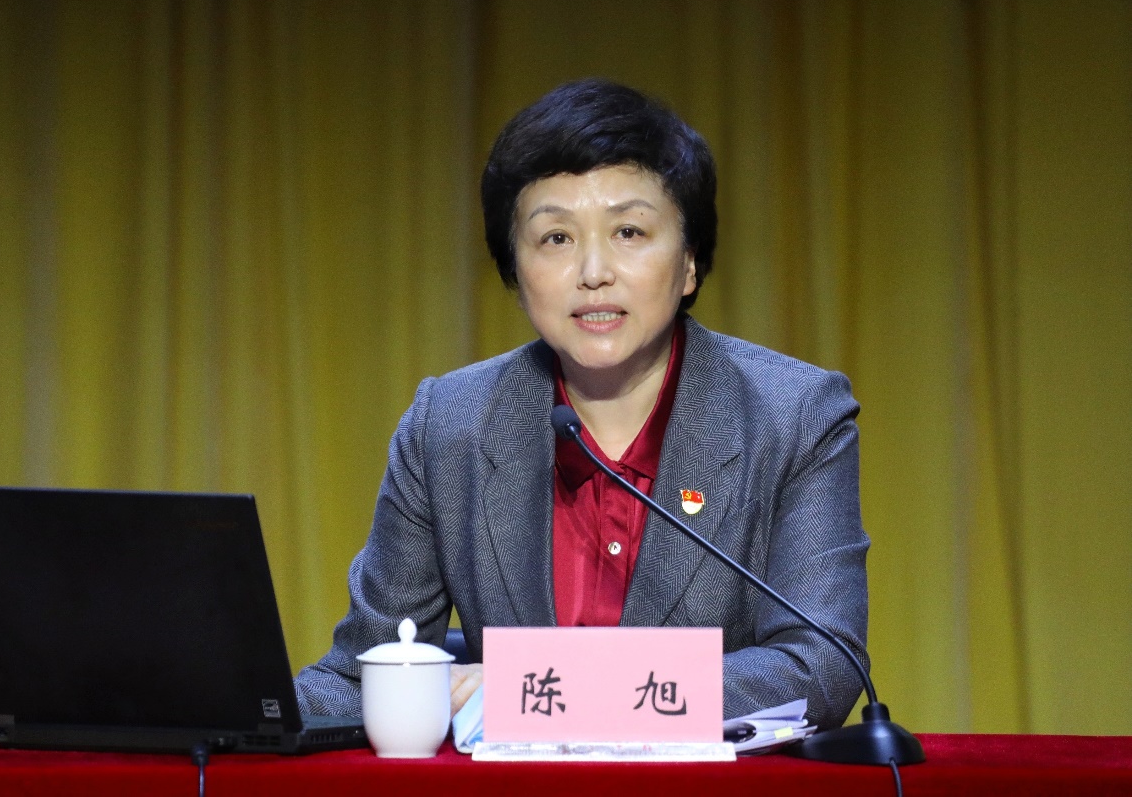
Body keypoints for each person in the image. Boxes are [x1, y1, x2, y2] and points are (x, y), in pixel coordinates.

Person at [294, 79, 869, 731]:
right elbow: (360, 675)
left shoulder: (793, 417)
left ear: (689, 263)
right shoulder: (448, 426)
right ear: (516, 276)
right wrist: (238, 710)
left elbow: (820, 666)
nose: (593, 271)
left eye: (628, 231)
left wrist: (548, 689)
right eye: (556, 239)